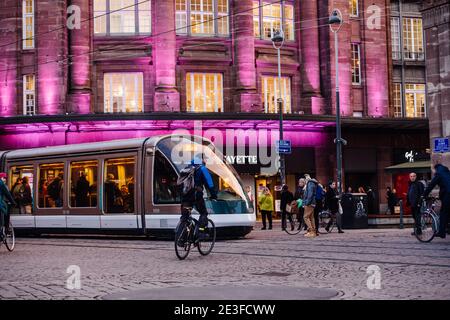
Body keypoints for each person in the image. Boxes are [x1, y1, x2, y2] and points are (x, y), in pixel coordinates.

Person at [179, 156, 217, 240]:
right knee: (203, 213)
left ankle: (181, 238)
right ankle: (201, 232)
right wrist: (214, 195)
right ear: (201, 161)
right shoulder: (202, 169)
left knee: (185, 217)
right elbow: (210, 184)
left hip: (185, 196)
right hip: (196, 195)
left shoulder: (186, 169)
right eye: (205, 160)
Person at [422, 161, 450, 239]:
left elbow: (431, 185)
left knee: (443, 212)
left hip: (448, 195)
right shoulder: (447, 172)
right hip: (447, 194)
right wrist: (440, 195)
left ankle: (441, 233)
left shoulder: (439, 173)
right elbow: (445, 186)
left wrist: (424, 195)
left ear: (435, 169)